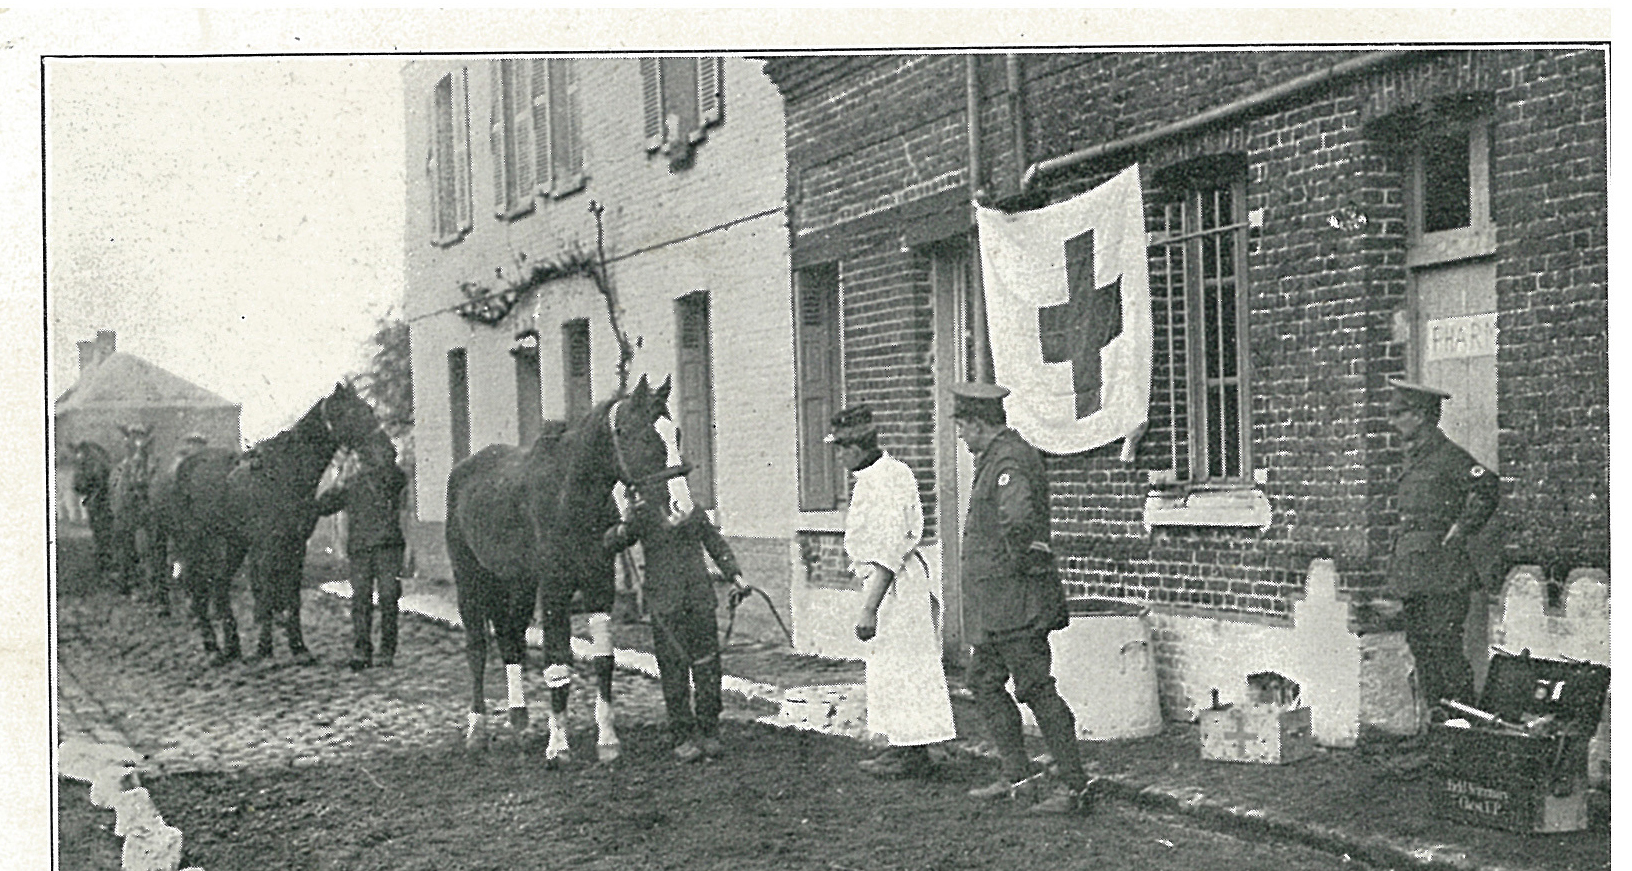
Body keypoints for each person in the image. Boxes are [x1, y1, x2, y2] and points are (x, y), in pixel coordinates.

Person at [950, 382, 1090, 815]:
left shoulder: (1009, 459)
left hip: (1015, 605)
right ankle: (1019, 776)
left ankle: (1075, 789)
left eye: (962, 427)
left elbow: (1019, 524)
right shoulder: (996, 457)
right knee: (984, 682)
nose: (960, 436)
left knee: (1035, 688)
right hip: (998, 608)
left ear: (977, 424)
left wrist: (1016, 577)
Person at [826, 405, 956, 779]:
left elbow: (886, 553)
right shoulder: (877, 476)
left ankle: (913, 751)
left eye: (841, 448)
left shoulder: (887, 479)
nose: (839, 456)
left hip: (895, 584)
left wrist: (869, 608)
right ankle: (904, 746)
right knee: (891, 667)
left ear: (854, 447)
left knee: (906, 665)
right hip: (888, 583)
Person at [603, 472, 750, 762]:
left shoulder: (692, 511)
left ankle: (709, 730)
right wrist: (623, 524)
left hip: (698, 599)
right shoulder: (643, 515)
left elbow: (715, 543)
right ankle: (682, 735)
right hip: (665, 603)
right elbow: (613, 542)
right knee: (674, 670)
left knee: (708, 666)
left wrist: (736, 575)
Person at [1383, 379, 1499, 724]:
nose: (1392, 421)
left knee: (1446, 652)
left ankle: (1462, 731)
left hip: (1445, 575)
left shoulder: (1448, 456)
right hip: (1415, 575)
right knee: (1423, 653)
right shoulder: (1413, 458)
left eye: (1398, 413)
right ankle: (1436, 735)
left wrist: (1462, 528)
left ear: (1419, 416)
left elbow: (1487, 486)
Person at [315, 430, 409, 671]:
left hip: (388, 546)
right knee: (361, 600)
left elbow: (399, 480)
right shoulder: (353, 483)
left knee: (388, 598)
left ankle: (387, 650)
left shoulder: (392, 478)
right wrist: (341, 478)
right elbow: (324, 506)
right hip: (361, 549)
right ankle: (362, 649)